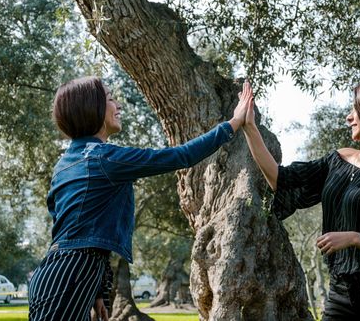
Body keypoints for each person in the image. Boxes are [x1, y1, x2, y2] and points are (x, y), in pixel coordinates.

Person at [28, 76, 252, 321]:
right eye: (111, 99)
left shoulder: (65, 164)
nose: (118, 106)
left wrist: (96, 291)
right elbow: (180, 156)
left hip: (57, 273)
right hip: (71, 274)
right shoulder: (104, 158)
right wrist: (233, 123)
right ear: (93, 108)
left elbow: (68, 228)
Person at [241, 79, 360, 320]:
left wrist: (354, 238)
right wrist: (249, 127)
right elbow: (280, 179)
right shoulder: (338, 159)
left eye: (356, 110)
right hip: (341, 291)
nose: (349, 117)